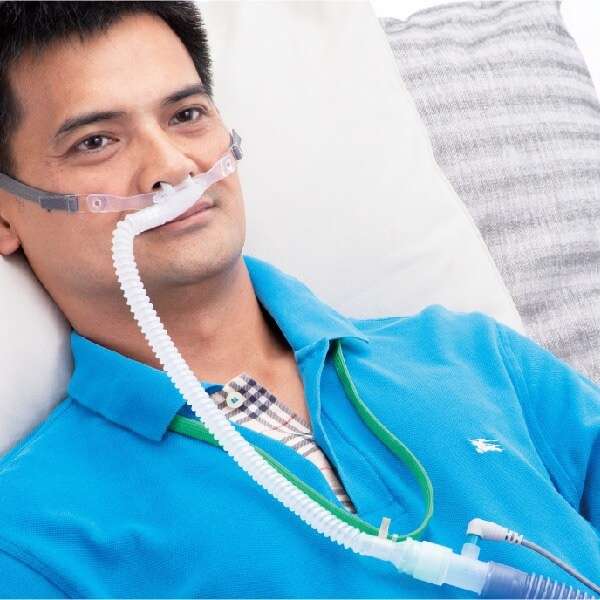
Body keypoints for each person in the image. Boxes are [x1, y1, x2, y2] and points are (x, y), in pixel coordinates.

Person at [0, 2, 598, 598]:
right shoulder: (33, 541)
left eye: (186, 115)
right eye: (95, 142)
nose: (173, 167)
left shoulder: (476, 358)